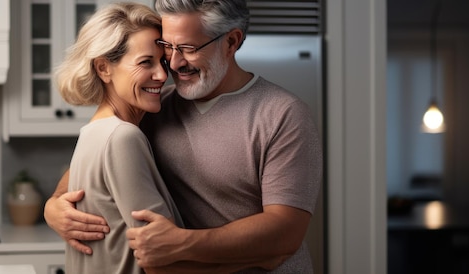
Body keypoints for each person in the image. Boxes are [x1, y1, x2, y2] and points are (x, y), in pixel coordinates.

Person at [44, 0, 323, 273]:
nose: (173, 64)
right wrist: (53, 206)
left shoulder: (283, 115)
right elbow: (95, 165)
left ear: (232, 42)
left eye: (188, 48)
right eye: (168, 47)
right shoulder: (152, 107)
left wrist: (184, 244)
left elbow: (286, 231)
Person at [50, 2, 183, 273]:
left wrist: (50, 206)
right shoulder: (122, 137)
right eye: (146, 62)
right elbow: (165, 256)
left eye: (162, 62)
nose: (161, 75)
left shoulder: (94, 132)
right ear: (103, 68)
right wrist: (252, 259)